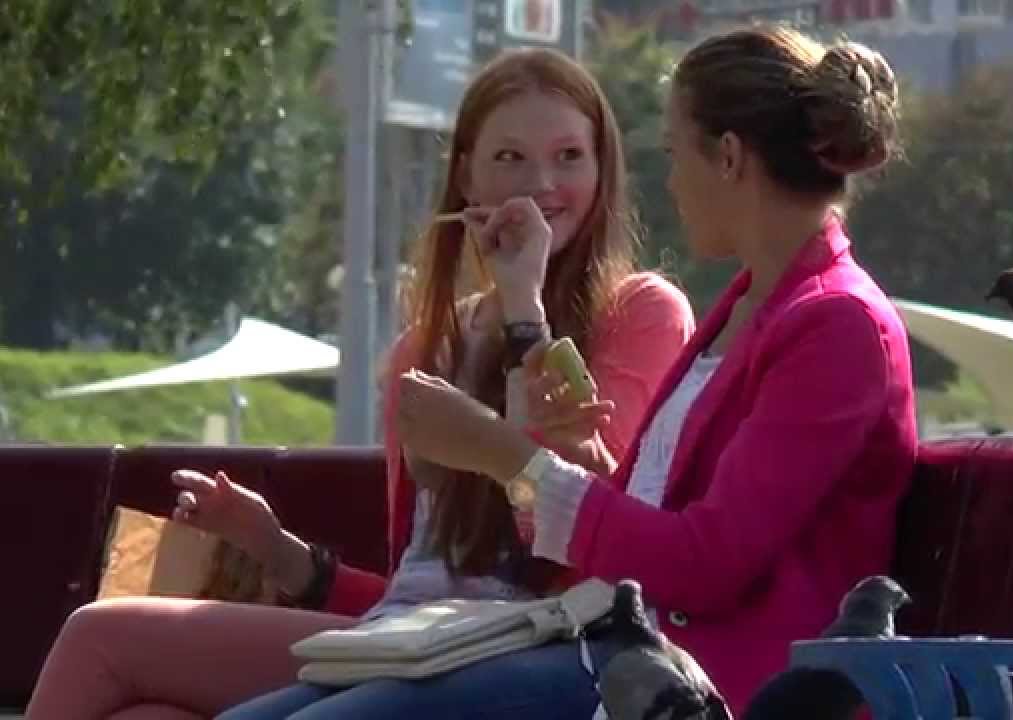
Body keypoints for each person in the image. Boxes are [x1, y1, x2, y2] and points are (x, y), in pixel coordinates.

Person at [221, 24, 918, 720]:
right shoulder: (752, 304)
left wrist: (506, 458)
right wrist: (571, 458)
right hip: (616, 659)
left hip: (695, 685)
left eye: (675, 154)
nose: (671, 181)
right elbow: (652, 526)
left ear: (729, 158)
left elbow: (704, 565)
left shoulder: (837, 324)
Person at [24, 48, 694, 720]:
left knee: (100, 642)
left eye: (569, 156)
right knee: (126, 678)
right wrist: (276, 549)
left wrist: (525, 308)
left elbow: (588, 527)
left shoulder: (641, 312)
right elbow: (413, 592)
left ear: (603, 168)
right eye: (510, 159)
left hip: (536, 646)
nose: (542, 183)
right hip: (407, 644)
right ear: (466, 176)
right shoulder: (423, 349)